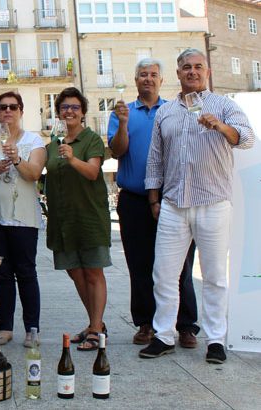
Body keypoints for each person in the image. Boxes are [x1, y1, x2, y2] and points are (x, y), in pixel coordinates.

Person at [140, 49, 254, 364]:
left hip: (213, 203)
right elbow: (155, 159)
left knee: (215, 276)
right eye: (186, 67)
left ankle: (216, 340)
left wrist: (220, 127)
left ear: (207, 71)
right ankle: (163, 335)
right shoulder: (166, 112)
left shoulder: (225, 106)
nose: (192, 72)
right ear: (177, 73)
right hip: (174, 204)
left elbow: (246, 139)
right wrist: (154, 199)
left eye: (198, 67)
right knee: (163, 274)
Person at [108, 58, 200, 348]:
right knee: (140, 264)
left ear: (162, 80)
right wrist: (122, 124)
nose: (148, 79)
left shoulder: (174, 110)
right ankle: (146, 324)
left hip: (173, 198)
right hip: (134, 201)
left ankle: (185, 326)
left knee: (182, 265)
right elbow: (116, 151)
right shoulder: (122, 113)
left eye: (153, 75)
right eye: (142, 75)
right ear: (135, 80)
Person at [45, 87, 111, 351]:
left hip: (89, 216)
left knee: (93, 272)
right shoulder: (53, 143)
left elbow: (93, 172)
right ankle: (95, 322)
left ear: (83, 112)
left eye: (74, 107)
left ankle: (96, 328)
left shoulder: (91, 139)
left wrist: (72, 159)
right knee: (75, 272)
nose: (69, 111)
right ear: (59, 112)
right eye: (64, 107)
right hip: (62, 219)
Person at [0, 92, 45, 347]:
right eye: (2, 107)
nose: (8, 111)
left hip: (23, 217)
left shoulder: (34, 140)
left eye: (13, 107)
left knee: (26, 272)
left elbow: (34, 174)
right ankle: (5, 327)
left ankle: (32, 328)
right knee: (2, 274)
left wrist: (16, 158)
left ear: (21, 110)